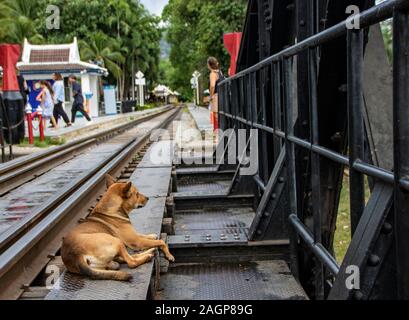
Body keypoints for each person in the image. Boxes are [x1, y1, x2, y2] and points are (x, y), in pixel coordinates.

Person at [207, 57, 223, 131]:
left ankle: (217, 135)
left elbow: (212, 85)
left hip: (216, 96)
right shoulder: (219, 72)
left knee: (216, 116)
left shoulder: (212, 74)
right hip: (222, 95)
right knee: (221, 115)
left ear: (209, 65)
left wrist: (211, 95)